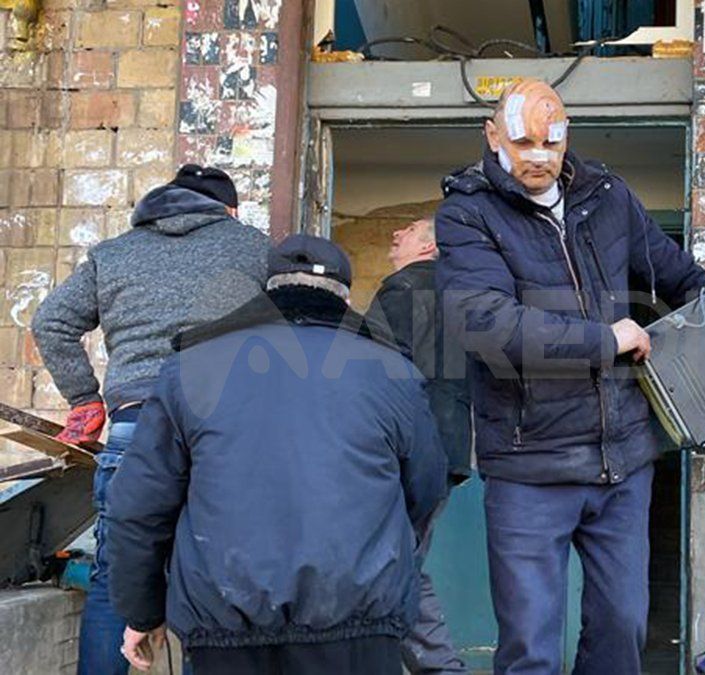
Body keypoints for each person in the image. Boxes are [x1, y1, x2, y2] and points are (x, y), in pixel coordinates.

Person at [435, 79, 705, 674]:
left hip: (623, 462)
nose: (538, 155)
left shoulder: (609, 197)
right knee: (531, 645)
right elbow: (486, 324)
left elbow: (680, 276)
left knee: (623, 628)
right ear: (492, 137)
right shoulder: (467, 213)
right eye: (523, 141)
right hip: (530, 466)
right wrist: (606, 339)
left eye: (551, 140)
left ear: (568, 137)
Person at [104, 235, 448, 675]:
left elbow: (138, 505)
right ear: (345, 295)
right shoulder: (393, 370)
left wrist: (142, 611)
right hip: (358, 621)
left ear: (268, 289)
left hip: (225, 625)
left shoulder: (191, 368)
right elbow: (425, 488)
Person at [31, 164, 269, 675]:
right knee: (221, 581)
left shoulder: (113, 253)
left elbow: (51, 321)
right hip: (223, 432)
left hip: (135, 427)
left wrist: (84, 399)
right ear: (227, 211)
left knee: (115, 578)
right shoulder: (253, 246)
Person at [367, 218, 471, 673]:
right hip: (447, 451)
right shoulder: (465, 297)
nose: (394, 235)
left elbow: (373, 374)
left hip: (400, 454)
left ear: (429, 246)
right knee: (399, 562)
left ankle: (441, 668)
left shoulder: (403, 289)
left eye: (407, 230)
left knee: (392, 567)